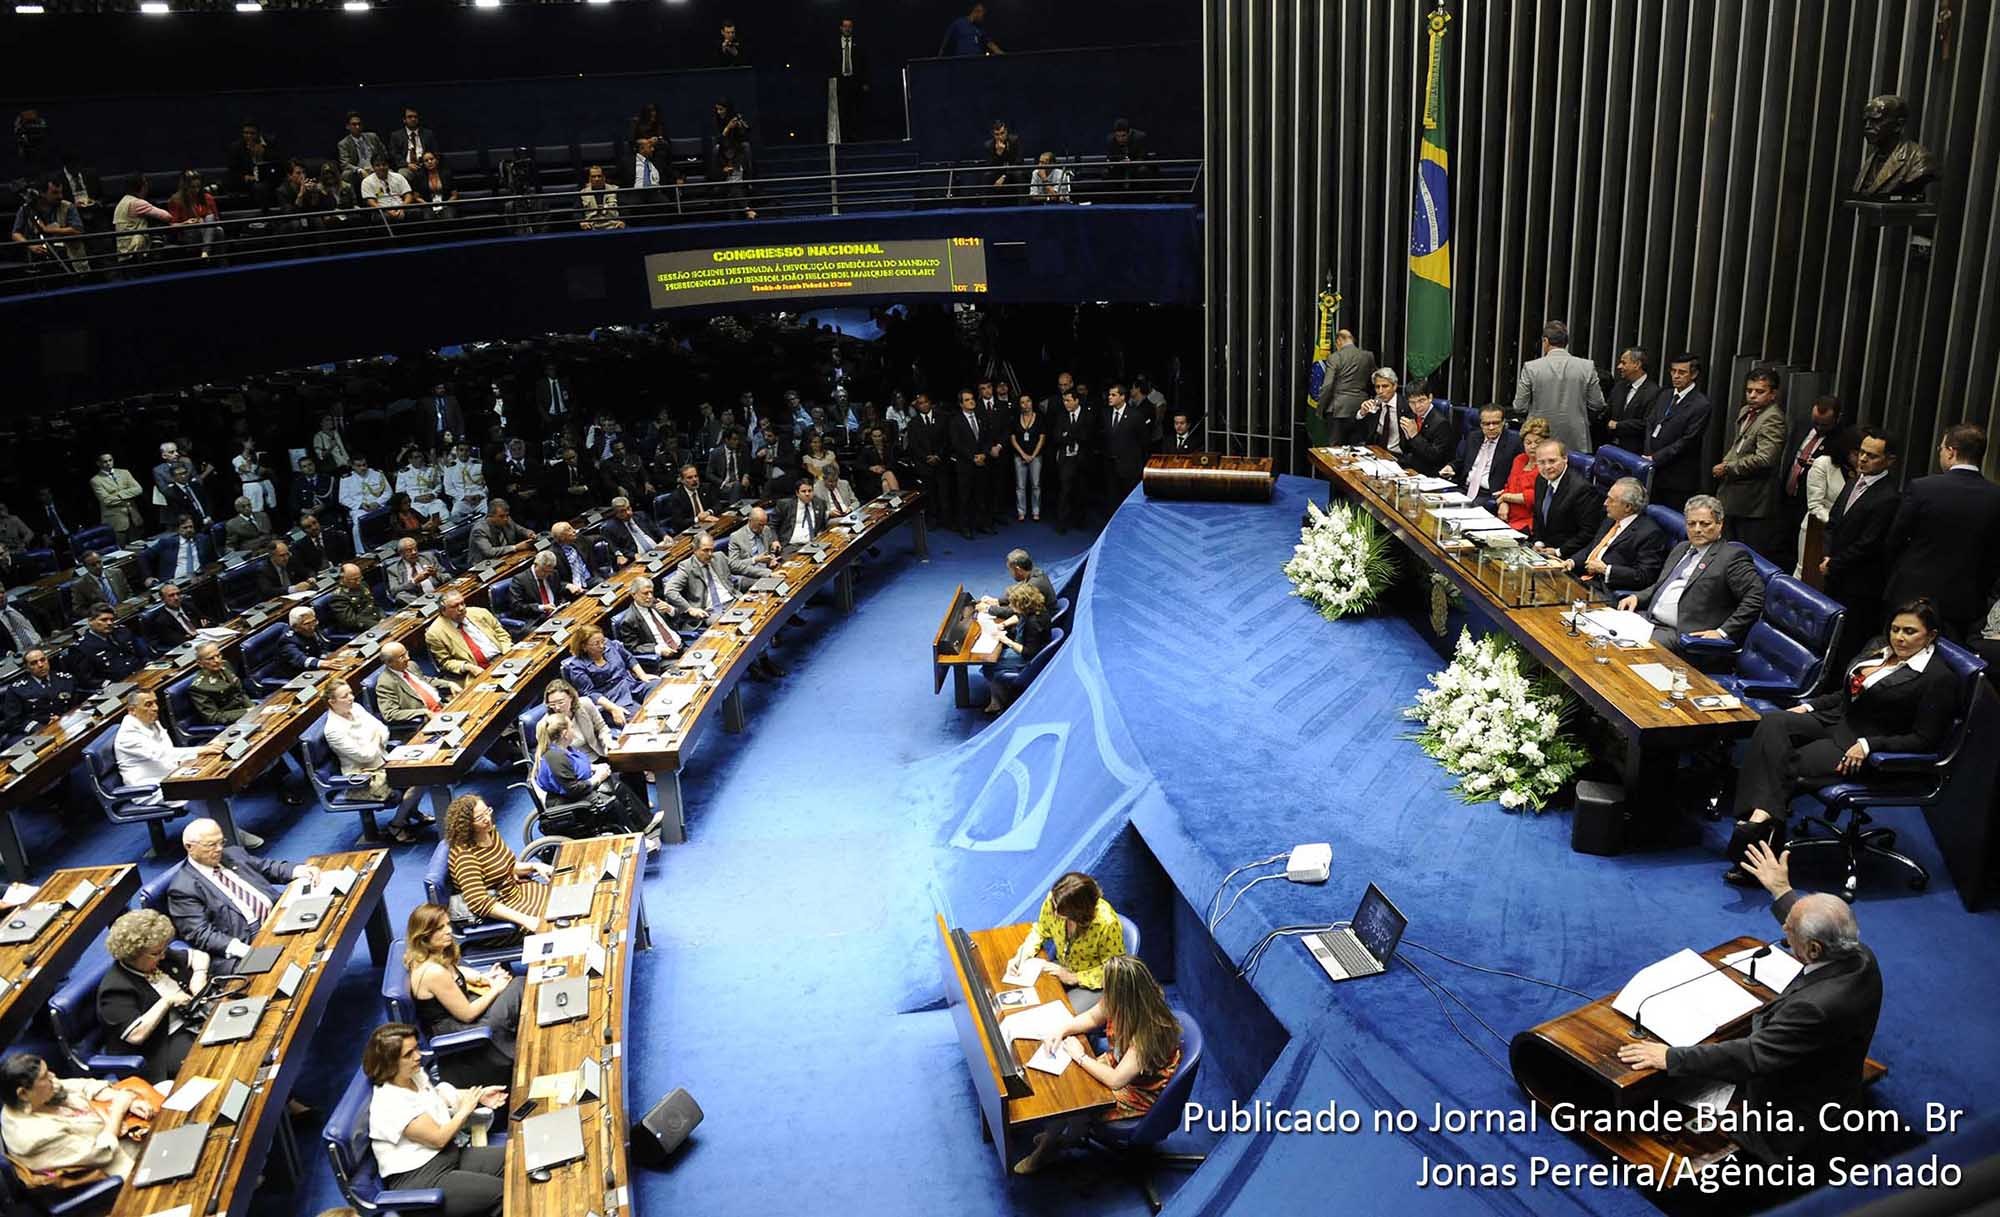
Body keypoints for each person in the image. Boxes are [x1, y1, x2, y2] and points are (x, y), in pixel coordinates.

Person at [1617, 841, 1881, 1168]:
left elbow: (1753, 1056)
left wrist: (1669, 1057)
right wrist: (1782, 891)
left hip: (1788, 1115)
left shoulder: (1815, 1007)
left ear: (1813, 951)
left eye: (1789, 932)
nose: (1784, 930)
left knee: (1672, 1092)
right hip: (1827, 1073)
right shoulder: (1859, 956)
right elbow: (1814, 928)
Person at [1722, 598, 1957, 881]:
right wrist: (1810, 706)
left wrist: (1871, 746)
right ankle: (1758, 824)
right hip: (1836, 719)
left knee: (1786, 764)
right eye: (1895, 629)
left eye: (1910, 632)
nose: (1899, 637)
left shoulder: (1937, 678)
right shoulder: (1878, 648)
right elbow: (1847, 694)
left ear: (1930, 635)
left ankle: (1756, 836)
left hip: (1862, 744)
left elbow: (1925, 739)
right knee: (1773, 722)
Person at [1013, 954, 1182, 1175]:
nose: (1104, 990)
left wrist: (1081, 1056)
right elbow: (1092, 1018)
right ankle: (1061, 1135)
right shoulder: (1125, 1000)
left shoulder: (1148, 1032)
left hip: (1138, 1089)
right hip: (1118, 1063)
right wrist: (1061, 1030)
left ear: (1122, 992)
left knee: (1077, 1100)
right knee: (1068, 1080)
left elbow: (1116, 1081)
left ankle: (1052, 1146)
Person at [362, 1024, 506, 1217]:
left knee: (513, 1159)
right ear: (390, 1063)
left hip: (448, 1155)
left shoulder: (413, 1075)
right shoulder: (390, 1103)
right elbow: (438, 1138)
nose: (418, 1056)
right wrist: (465, 1110)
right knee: (503, 1193)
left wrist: (478, 1095)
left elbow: (439, 1098)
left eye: (416, 1048)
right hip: (422, 1176)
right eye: (408, 1054)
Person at [1884, 422, 2000, 641]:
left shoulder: (1922, 488)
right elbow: (1993, 558)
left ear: (1951, 452)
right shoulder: (1996, 497)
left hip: (1911, 595)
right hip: (1964, 601)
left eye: (1941, 448)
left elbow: (1894, 541)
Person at [1617, 496, 1767, 654]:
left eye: (1705, 524)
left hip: (1681, 634)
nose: (1697, 529)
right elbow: (1664, 584)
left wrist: (1723, 632)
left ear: (1720, 524)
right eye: (1691, 524)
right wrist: (1637, 597)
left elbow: (1755, 597)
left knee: (1621, 647)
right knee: (1599, 627)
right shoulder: (1681, 548)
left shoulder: (1731, 556)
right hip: (1648, 620)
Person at [167, 818, 315, 965]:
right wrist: (247, 952)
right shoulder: (182, 889)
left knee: (324, 921)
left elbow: (266, 867)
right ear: (189, 847)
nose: (219, 849)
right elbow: (202, 934)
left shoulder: (233, 854)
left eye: (221, 842)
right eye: (211, 845)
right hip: (247, 942)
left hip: (278, 916)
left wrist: (299, 870)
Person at [402, 905, 520, 1089]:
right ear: (424, 935)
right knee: (518, 986)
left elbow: (454, 971)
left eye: (447, 925)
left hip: (462, 1011)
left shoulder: (423, 955)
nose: (449, 931)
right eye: (440, 928)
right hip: (459, 1027)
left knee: (515, 992)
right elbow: (467, 1014)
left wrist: (483, 977)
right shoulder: (432, 972)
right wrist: (495, 989)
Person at [95, 909, 209, 1084]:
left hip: (191, 1020)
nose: (163, 956)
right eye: (157, 953)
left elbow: (200, 956)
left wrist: (199, 974)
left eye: (163, 950)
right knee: (207, 1059)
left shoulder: (156, 954)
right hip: (161, 1045)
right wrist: (167, 1001)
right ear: (133, 955)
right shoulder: (115, 988)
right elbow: (135, 1035)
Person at [0, 1054, 150, 1182]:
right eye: (45, 1076)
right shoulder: (36, 1137)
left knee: (166, 1088)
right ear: (23, 1093)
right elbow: (102, 1153)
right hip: (113, 1165)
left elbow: (84, 1085)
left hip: (125, 1131)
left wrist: (122, 1099)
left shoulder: (39, 1094)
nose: (53, 1076)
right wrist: (118, 1110)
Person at [1819, 428, 1901, 648]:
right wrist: (1827, 554)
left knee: (1847, 641)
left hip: (1859, 585)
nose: (1863, 459)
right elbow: (1833, 522)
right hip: (1834, 574)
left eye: (1872, 456)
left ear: (1890, 460)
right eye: (1861, 452)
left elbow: (1869, 543)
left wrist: (1834, 563)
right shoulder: (1854, 481)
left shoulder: (1889, 497)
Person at [322, 680, 430, 844]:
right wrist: (375, 739)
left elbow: (383, 729)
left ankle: (410, 811)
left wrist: (375, 740)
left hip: (383, 759)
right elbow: (365, 756)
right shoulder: (333, 729)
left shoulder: (356, 708)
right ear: (332, 702)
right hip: (363, 776)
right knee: (419, 781)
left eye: (350, 693)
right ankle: (397, 824)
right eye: (345, 696)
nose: (351, 698)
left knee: (424, 770)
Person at [1009, 872, 1128, 1015]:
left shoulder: (1107, 924)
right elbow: (1041, 930)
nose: (1053, 911)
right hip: (1063, 967)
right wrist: (1022, 956)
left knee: (1057, 1016)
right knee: (1024, 1001)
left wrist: (1074, 978)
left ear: (1078, 912)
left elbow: (1114, 971)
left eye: (1059, 911)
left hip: (1093, 983)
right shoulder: (1055, 900)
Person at [532, 713, 659, 847]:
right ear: (564, 733)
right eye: (571, 727)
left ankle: (645, 823)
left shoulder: (564, 749)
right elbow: (572, 789)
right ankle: (636, 841)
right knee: (611, 803)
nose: (573, 730)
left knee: (617, 785)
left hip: (576, 792)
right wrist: (597, 779)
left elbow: (575, 766)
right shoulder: (555, 757)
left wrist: (595, 768)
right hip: (567, 801)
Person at [443, 794, 549, 936]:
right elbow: (479, 903)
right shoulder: (466, 857)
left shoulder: (489, 832)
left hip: (517, 892)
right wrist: (526, 920)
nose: (487, 819)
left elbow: (506, 866)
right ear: (466, 824)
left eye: (487, 812)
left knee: (562, 899)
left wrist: (534, 867)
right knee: (555, 920)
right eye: (480, 818)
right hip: (502, 913)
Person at [1712, 366, 1789, 560]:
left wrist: (1728, 467)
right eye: (1749, 390)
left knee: (1745, 555)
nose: (1753, 395)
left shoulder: (1773, 418)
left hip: (1752, 501)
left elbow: (1766, 458)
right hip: (1733, 493)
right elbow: (1738, 445)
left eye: (1760, 391)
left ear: (1773, 394)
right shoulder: (1747, 411)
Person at [1562, 478, 1669, 595]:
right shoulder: (1611, 519)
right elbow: (1593, 547)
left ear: (1628, 507)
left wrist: (1606, 570)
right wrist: (1572, 562)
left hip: (1603, 590)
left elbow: (1644, 576)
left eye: (1611, 500)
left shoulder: (1650, 534)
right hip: (1581, 579)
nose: (1605, 503)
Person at [1511, 320, 1604, 455]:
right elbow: (1597, 404)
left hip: (1539, 438)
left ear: (1545, 341)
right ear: (1566, 343)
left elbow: (1519, 406)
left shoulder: (1531, 367)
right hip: (1575, 439)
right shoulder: (1587, 366)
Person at [1782, 396, 1846, 570]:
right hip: (1787, 497)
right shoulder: (1803, 424)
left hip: (1809, 505)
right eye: (1815, 422)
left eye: (1824, 425)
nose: (1818, 428)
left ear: (1837, 419)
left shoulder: (1842, 440)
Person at [1793, 421, 1853, 579]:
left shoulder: (1860, 473)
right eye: (1856, 452)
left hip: (1842, 538)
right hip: (1816, 529)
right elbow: (1814, 505)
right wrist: (1837, 523)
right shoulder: (1824, 463)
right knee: (1804, 574)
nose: (1861, 457)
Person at [1526, 439, 1604, 560]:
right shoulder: (1541, 480)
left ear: (1565, 459)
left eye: (1552, 461)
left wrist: (1558, 551)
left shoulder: (1582, 489)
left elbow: (1588, 532)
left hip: (1566, 555)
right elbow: (1538, 515)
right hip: (1543, 551)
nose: (1547, 467)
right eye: (1541, 462)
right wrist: (1538, 542)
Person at [980, 581, 1051, 713]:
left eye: (1013, 604)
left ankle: (998, 702)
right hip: (1028, 647)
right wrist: (1003, 625)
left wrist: (1006, 640)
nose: (1011, 606)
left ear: (1021, 604)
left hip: (1029, 658)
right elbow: (1019, 616)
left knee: (988, 665)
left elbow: (1028, 652)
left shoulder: (1033, 624)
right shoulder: (1036, 608)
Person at [559, 625, 653, 719]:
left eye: (602, 641)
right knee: (643, 718)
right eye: (596, 644)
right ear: (584, 647)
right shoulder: (577, 666)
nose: (602, 646)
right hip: (614, 700)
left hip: (632, 685)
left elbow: (628, 658)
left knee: (661, 690)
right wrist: (613, 708)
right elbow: (590, 693)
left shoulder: (609, 645)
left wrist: (642, 675)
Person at [1439, 405, 1523, 507]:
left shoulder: (1514, 442)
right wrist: (1451, 467)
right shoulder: (1473, 436)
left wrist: (1506, 495)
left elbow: (1518, 475)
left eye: (1495, 423)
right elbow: (1461, 461)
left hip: (1489, 494)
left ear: (1503, 422)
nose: (1491, 427)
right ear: (1480, 424)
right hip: (1464, 488)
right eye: (1486, 424)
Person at [425, 592, 512, 681]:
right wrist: (468, 667)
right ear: (443, 611)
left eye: (462, 603)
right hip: (477, 670)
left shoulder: (480, 612)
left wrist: (507, 652)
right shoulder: (435, 633)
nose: (461, 608)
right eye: (455, 606)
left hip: (503, 656)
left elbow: (501, 634)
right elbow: (445, 662)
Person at [373, 640, 458, 726]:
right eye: (401, 657)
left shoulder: (411, 665)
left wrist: (449, 684)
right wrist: (423, 712)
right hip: (428, 720)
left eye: (406, 653)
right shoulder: (385, 683)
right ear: (389, 663)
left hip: (443, 706)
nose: (407, 658)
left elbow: (425, 681)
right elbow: (390, 714)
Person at [1313, 330, 1376, 446]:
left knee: (1335, 452)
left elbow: (1327, 385)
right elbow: (1374, 381)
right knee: (1358, 449)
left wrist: (1320, 409)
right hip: (1361, 409)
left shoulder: (1335, 357)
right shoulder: (1368, 356)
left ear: (1339, 341)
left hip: (1338, 410)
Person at [1602, 347, 1664, 452]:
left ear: (1637, 365)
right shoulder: (1619, 387)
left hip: (1634, 452)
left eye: (1624, 363)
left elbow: (1647, 423)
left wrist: (1618, 425)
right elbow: (1608, 413)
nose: (1619, 366)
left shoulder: (1654, 392)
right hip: (1611, 448)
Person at [539, 680, 614, 761]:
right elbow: (556, 758)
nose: (557, 707)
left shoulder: (585, 704)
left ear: (571, 697)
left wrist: (608, 742)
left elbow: (601, 727)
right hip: (577, 765)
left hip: (599, 752)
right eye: (552, 704)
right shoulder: (546, 724)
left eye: (561, 702)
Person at [76, 606, 151, 686]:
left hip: (141, 674)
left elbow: (141, 655)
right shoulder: (82, 647)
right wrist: (109, 685)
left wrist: (148, 663)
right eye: (104, 620)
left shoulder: (122, 632)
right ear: (90, 621)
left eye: (112, 620)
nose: (109, 623)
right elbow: (87, 679)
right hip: (117, 684)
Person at [2, 649, 79, 726]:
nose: (40, 665)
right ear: (26, 668)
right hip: (39, 730)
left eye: (43, 660)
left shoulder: (65, 678)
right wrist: (38, 727)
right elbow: (13, 721)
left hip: (69, 722)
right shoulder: (16, 690)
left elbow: (78, 701)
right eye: (33, 663)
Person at [112, 173, 177, 264]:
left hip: (124, 251)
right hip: (134, 253)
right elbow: (167, 217)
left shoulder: (123, 201)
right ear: (141, 186)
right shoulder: (137, 203)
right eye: (146, 183)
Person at [1397, 380, 1455, 476]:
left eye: (1421, 401)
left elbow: (1435, 457)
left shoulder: (1441, 423)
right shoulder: (1411, 416)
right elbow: (1405, 449)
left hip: (1429, 473)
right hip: (1410, 467)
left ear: (1430, 398)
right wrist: (1407, 436)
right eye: (1412, 402)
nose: (1417, 406)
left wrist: (1414, 436)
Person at [614, 583, 682, 664]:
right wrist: (658, 650)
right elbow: (632, 648)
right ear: (634, 595)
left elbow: (678, 619)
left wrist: (670, 610)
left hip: (681, 646)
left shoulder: (657, 603)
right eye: (645, 593)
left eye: (651, 592)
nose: (650, 596)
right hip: (663, 659)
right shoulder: (629, 620)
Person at [188, 641, 252, 725]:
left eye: (218, 655)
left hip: (247, 713)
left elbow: (241, 693)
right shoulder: (199, 687)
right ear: (200, 664)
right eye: (211, 658)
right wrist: (247, 712)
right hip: (230, 723)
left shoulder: (225, 665)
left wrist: (253, 708)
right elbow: (214, 717)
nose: (217, 660)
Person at [90, 452, 148, 543]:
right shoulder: (96, 480)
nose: (109, 463)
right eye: (105, 461)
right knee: (122, 549)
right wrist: (128, 494)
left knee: (140, 544)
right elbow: (106, 500)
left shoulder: (124, 472)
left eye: (110, 460)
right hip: (116, 520)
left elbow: (138, 489)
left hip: (133, 515)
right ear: (98, 463)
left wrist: (119, 494)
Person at [165, 169, 220, 258]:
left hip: (207, 230)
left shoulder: (208, 198)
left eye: (198, 186)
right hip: (187, 233)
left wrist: (206, 219)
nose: (196, 190)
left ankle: (207, 254)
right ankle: (206, 252)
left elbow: (216, 220)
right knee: (214, 229)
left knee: (211, 220)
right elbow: (172, 226)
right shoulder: (176, 200)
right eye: (192, 187)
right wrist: (186, 223)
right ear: (185, 187)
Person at [830, 16, 869, 139]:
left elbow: (865, 64)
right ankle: (844, 137)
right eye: (845, 26)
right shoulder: (833, 44)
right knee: (842, 112)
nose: (847, 29)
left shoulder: (860, 44)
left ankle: (857, 137)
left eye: (849, 26)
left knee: (856, 111)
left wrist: (865, 82)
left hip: (855, 82)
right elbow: (830, 64)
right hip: (840, 82)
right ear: (841, 28)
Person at [67, 550, 132, 620]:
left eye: (99, 562)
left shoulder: (116, 573)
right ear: (86, 567)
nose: (98, 566)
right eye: (93, 565)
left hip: (125, 612)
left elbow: (128, 592)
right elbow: (79, 609)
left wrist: (127, 605)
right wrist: (98, 614)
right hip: (102, 619)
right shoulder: (80, 585)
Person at [1356, 368, 1408, 455]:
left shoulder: (1406, 406)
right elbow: (1361, 433)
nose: (1380, 391)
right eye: (1377, 387)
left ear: (1394, 386)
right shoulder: (1374, 405)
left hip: (1398, 455)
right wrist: (1362, 413)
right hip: (1376, 452)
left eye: (1385, 386)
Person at [272, 605, 333, 677]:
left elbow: (322, 646)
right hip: (297, 675)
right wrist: (320, 663)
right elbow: (300, 660)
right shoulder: (287, 641)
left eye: (314, 621)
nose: (312, 626)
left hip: (316, 668)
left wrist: (325, 658)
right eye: (307, 624)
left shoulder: (313, 628)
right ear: (295, 627)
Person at [1010, 397, 1045, 522]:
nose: (1026, 404)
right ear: (1019, 405)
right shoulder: (1015, 419)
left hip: (1036, 456)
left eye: (1028, 401)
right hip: (1019, 456)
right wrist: (1023, 455)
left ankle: (1036, 511)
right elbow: (1013, 439)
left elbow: (1042, 438)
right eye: (1022, 402)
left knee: (1036, 485)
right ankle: (1021, 512)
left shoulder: (1040, 418)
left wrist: (1033, 455)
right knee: (1020, 486)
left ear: (1032, 402)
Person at [468, 499, 535, 561]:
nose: (505, 519)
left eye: (507, 515)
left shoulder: (507, 519)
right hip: (484, 564)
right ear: (490, 516)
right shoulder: (479, 530)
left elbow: (519, 529)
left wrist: (528, 533)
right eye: (501, 516)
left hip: (507, 557)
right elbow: (489, 552)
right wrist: (515, 547)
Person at [386, 536, 447, 602]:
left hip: (438, 592)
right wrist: (414, 581)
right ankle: (424, 602)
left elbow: (448, 577)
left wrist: (435, 574)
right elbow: (393, 591)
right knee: (400, 595)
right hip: (415, 599)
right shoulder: (393, 569)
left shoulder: (428, 557)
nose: (414, 552)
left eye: (415, 549)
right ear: (401, 553)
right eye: (409, 550)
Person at [772, 477, 826, 551]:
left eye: (810, 491)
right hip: (791, 546)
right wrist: (775, 541)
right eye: (803, 491)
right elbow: (772, 525)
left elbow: (822, 525)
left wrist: (820, 533)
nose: (807, 494)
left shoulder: (820, 504)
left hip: (813, 544)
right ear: (797, 493)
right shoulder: (785, 505)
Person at [336, 112, 388, 189]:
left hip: (377, 166)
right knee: (346, 174)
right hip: (360, 170)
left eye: (359, 124)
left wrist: (377, 166)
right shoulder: (343, 144)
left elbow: (384, 153)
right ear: (347, 126)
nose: (357, 126)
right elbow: (345, 163)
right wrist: (359, 170)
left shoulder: (373, 137)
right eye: (354, 124)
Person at [388, 107, 436, 177]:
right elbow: (394, 155)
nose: (413, 119)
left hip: (426, 166)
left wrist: (428, 162)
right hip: (406, 167)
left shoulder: (428, 134)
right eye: (410, 117)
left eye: (415, 117)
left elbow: (434, 152)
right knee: (402, 174)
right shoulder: (396, 136)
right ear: (404, 120)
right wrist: (407, 165)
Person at [579, 164, 622, 230]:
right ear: (589, 179)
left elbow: (624, 208)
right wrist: (581, 222)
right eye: (593, 176)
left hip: (614, 225)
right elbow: (576, 212)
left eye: (599, 176)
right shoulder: (582, 193)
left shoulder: (615, 190)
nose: (597, 179)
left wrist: (623, 221)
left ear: (604, 177)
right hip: (591, 227)